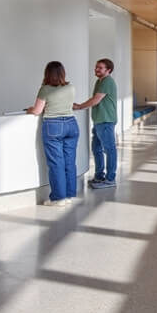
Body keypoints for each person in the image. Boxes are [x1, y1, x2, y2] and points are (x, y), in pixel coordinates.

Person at [28, 61, 78, 206]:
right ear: (62, 73)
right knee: (69, 161)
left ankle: (58, 198)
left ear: (47, 73)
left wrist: (29, 110)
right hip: (71, 124)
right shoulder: (70, 87)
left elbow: (37, 111)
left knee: (56, 163)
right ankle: (69, 195)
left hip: (53, 126)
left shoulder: (45, 89)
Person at [74, 59, 118, 188]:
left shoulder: (107, 82)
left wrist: (80, 106)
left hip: (106, 121)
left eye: (100, 68)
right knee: (97, 149)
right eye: (96, 67)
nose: (96, 69)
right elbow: (95, 99)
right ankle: (99, 176)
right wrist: (80, 105)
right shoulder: (99, 81)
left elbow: (96, 100)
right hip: (99, 121)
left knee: (109, 150)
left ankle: (110, 179)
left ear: (108, 70)